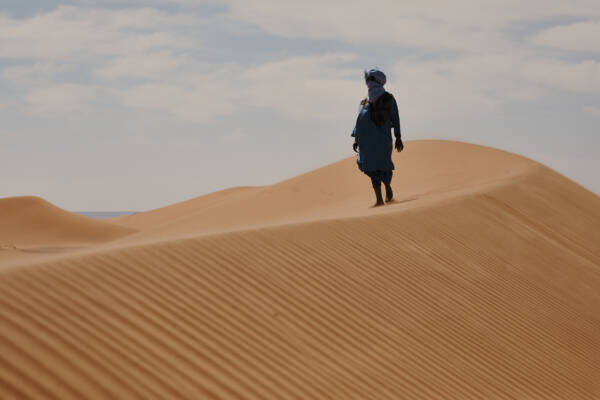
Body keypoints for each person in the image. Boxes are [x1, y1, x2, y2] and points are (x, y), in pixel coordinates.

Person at [351, 68, 403, 206]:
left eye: (370, 79)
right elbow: (359, 120)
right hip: (366, 140)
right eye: (367, 79)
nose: (368, 82)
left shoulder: (388, 98)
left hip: (383, 138)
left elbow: (395, 117)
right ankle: (379, 199)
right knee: (369, 166)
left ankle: (387, 186)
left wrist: (398, 136)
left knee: (384, 165)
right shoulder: (363, 102)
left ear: (378, 81)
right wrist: (356, 138)